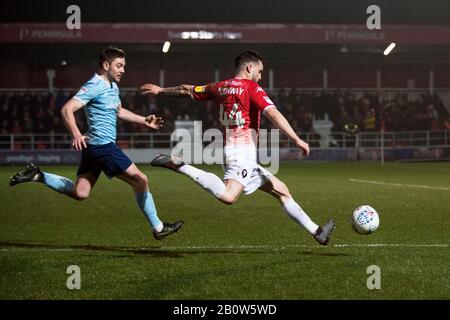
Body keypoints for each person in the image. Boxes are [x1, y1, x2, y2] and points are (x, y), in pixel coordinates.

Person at [140, 50, 335, 245]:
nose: (260, 76)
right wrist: (296, 139)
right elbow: (274, 114)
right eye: (260, 71)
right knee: (228, 196)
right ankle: (180, 165)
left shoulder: (220, 86)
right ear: (250, 68)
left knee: (281, 190)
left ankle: (317, 232)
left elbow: (187, 90)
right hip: (242, 153)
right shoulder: (252, 88)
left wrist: (161, 90)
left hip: (235, 150)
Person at [9, 45, 183, 240]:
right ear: (106, 65)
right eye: (119, 66)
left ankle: (38, 176)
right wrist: (76, 134)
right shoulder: (93, 85)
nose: (123, 70)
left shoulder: (113, 86)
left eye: (124, 66)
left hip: (95, 148)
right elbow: (67, 109)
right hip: (103, 147)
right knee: (141, 180)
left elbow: (119, 111)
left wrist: (144, 120)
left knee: (80, 192)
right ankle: (158, 228)